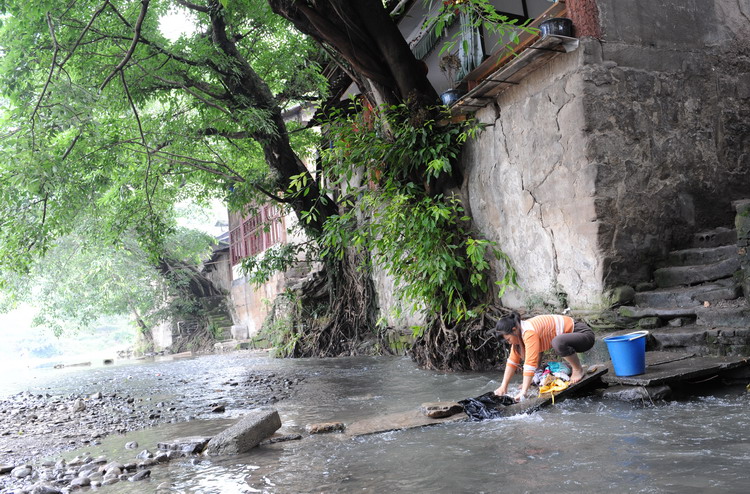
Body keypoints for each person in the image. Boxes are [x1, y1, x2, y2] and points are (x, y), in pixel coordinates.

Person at [493, 312, 595, 402]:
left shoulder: (528, 332)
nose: (509, 342)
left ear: (514, 330)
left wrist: (524, 391)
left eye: (508, 339)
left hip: (584, 335)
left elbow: (530, 363)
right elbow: (512, 361)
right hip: (574, 339)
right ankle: (536, 376)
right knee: (521, 349)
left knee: (557, 342)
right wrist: (503, 387)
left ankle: (578, 369)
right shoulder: (521, 333)